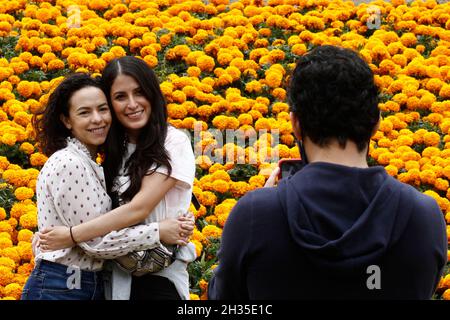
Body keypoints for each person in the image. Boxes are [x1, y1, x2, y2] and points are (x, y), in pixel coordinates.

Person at [207, 45, 448, 300]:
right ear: (377, 122)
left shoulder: (255, 216)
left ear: (295, 124)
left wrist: (262, 213)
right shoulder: (423, 216)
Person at [37, 56, 197, 300]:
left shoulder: (172, 142)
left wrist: (71, 235)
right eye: (120, 97)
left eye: (139, 92)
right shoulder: (110, 150)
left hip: (158, 278)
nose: (132, 104)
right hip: (113, 280)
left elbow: (139, 209)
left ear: (152, 94)